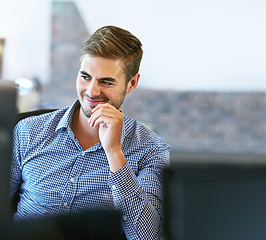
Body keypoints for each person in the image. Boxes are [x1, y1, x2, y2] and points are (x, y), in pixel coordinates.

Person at [10, 25, 170, 239]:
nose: (92, 91)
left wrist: (114, 153)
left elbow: (147, 237)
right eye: (85, 77)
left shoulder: (152, 150)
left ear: (131, 83)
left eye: (106, 82)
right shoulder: (28, 131)